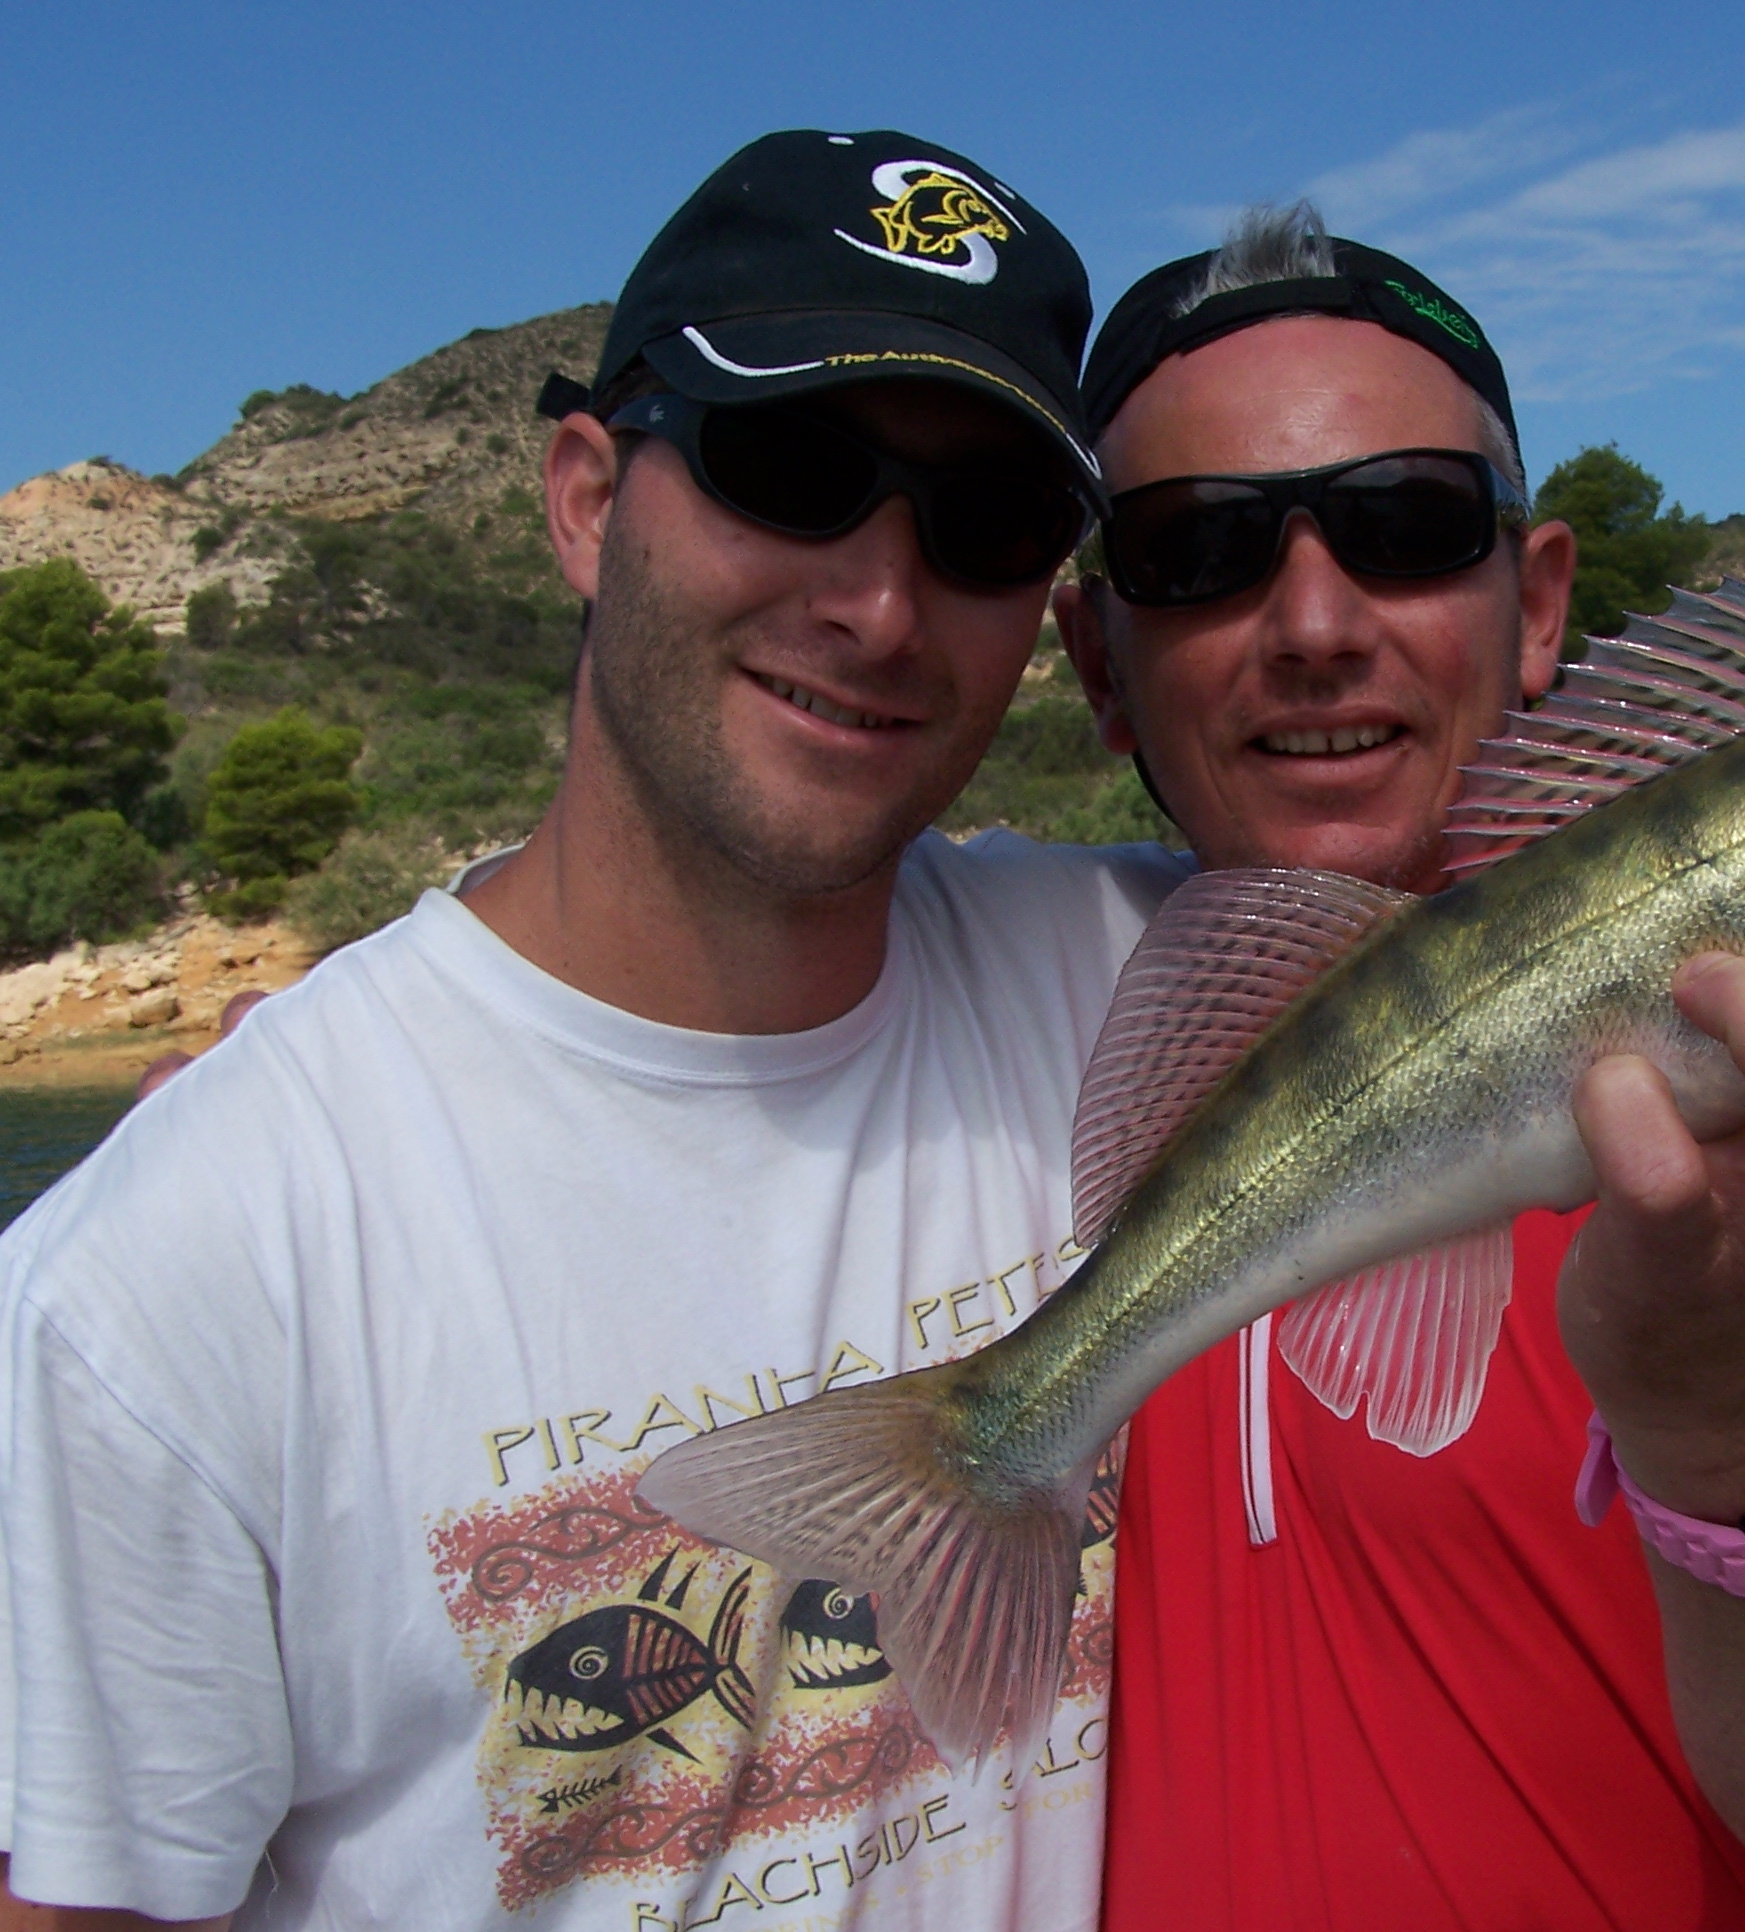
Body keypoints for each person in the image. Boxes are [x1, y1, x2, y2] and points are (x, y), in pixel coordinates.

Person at [0, 131, 1178, 1930]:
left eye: (989, 522)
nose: (878, 605)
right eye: (791, 469)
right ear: (583, 500)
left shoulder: (1134, 980)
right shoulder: (172, 1279)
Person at [1053, 209, 1745, 1932]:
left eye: (1406, 524)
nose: (1314, 622)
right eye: (1198, 551)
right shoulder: (1015, 992)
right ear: (1100, 662)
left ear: (1538, 601)